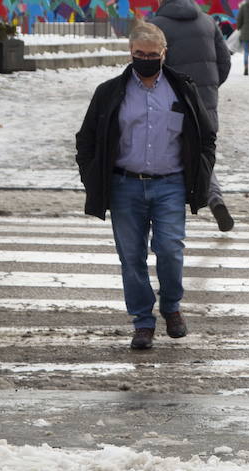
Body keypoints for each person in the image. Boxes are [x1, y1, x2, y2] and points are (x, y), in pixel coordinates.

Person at [75, 22, 216, 350]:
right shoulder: (111, 92)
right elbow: (87, 139)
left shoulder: (181, 89)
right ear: (130, 53)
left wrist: (202, 174)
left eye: (153, 55)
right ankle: (142, 321)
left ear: (164, 54)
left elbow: (205, 135)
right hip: (124, 185)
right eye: (140, 54)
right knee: (132, 256)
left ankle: (171, 306)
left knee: (169, 249)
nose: (146, 59)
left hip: (170, 184)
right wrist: (92, 176)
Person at [150, 0, 236, 231]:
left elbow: (150, 67)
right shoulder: (208, 22)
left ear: (160, 0)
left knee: (168, 154)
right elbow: (225, 62)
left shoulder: (155, 26)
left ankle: (169, 212)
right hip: (205, 102)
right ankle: (214, 198)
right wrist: (208, 88)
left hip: (170, 102)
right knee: (200, 151)